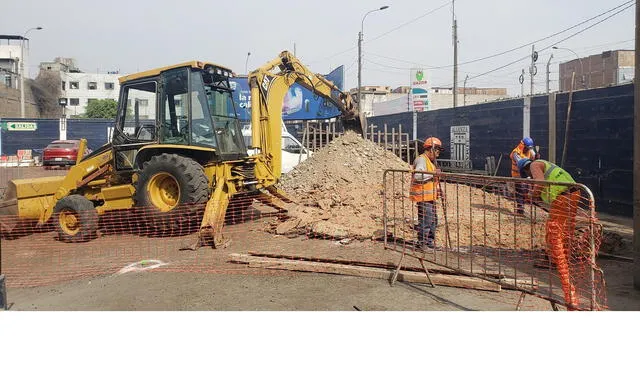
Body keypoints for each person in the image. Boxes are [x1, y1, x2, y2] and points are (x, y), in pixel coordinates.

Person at [517, 158, 580, 310]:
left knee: (553, 230)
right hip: (574, 193)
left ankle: (553, 259)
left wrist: (532, 195)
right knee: (566, 230)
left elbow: (540, 183)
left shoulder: (534, 165)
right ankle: (566, 256)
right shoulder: (545, 164)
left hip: (563, 196)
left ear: (525, 169)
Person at [410, 137, 443, 250]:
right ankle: (422, 243)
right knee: (426, 220)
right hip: (423, 196)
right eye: (437, 150)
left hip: (430, 197)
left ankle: (429, 242)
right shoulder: (422, 160)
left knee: (433, 220)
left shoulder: (429, 161)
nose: (438, 153)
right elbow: (418, 176)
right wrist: (433, 173)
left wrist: (438, 191)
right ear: (431, 149)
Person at [510, 137, 538, 215]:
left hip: (526, 175)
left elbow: (533, 157)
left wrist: (536, 157)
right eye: (527, 148)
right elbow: (521, 164)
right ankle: (520, 210)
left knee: (525, 191)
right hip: (517, 175)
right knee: (520, 191)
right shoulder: (516, 153)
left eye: (529, 148)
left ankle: (523, 207)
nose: (528, 149)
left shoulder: (529, 150)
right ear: (523, 145)